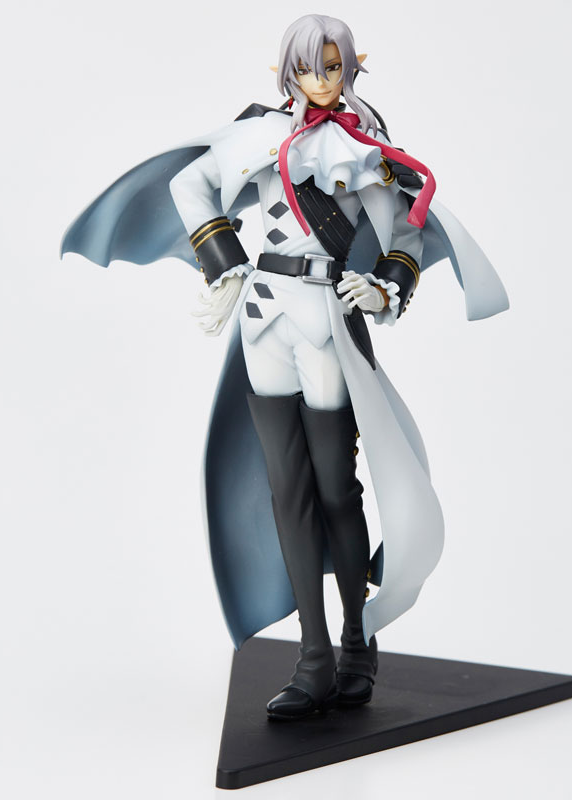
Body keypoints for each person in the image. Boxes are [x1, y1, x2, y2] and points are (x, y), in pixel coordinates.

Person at [62, 13, 509, 720]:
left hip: (326, 318)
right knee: (287, 491)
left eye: (331, 67)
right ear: (286, 71)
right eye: (306, 68)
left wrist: (386, 284)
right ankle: (312, 656)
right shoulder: (258, 136)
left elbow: (408, 223)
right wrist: (223, 262)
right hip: (263, 314)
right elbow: (189, 186)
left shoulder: (364, 146)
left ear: (349, 67)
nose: (319, 80)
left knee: (336, 488)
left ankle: (357, 644)